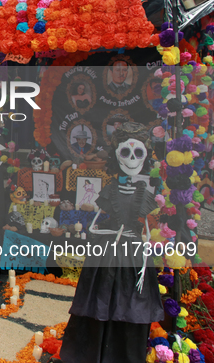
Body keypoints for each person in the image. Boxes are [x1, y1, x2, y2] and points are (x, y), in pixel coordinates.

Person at [61, 122, 162, 362]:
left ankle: (122, 352)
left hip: (132, 253)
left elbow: (147, 230)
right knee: (100, 299)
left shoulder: (144, 195)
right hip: (109, 252)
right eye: (126, 152)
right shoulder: (110, 190)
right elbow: (95, 224)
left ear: (145, 156)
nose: (132, 159)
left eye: (138, 153)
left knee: (129, 301)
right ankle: (94, 351)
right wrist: (112, 233)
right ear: (117, 155)